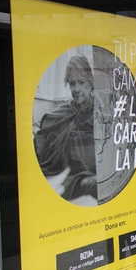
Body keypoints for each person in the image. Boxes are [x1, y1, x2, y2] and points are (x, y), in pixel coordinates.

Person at [34, 55, 98, 204]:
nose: (76, 89)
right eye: (72, 83)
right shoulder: (62, 113)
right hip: (60, 176)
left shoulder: (102, 112)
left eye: (81, 82)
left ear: (91, 82)